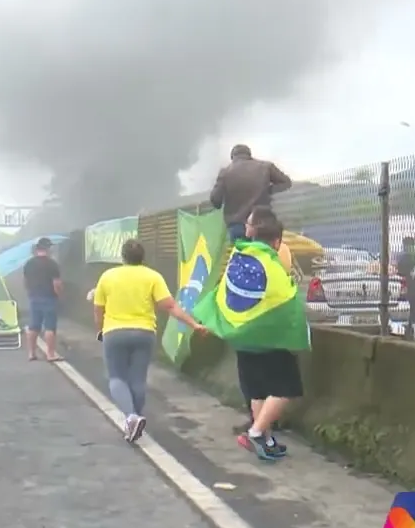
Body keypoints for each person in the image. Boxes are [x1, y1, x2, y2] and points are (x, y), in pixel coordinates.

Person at [93, 240, 207, 443]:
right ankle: (134, 423)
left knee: (117, 378)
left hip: (114, 332)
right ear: (142, 257)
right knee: (137, 380)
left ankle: (131, 417)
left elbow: (98, 309)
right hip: (144, 333)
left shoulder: (107, 276)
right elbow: (171, 306)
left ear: (122, 257)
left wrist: (100, 330)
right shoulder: (153, 276)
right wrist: (194, 325)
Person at [232, 212, 302, 460]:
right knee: (286, 387)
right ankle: (255, 433)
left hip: (243, 334)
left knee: (257, 391)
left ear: (253, 230)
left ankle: (267, 440)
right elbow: (285, 296)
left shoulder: (239, 255)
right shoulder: (272, 260)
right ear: (276, 240)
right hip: (269, 336)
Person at [209, 144, 293, 241]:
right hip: (262, 222)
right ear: (249, 155)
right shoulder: (266, 166)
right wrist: (268, 191)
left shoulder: (225, 172)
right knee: (263, 252)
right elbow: (286, 183)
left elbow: (215, 200)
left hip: (237, 224)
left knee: (244, 254)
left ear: (232, 157)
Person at [22, 237, 63, 362]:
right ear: (48, 248)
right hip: (49, 297)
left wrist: (30, 292)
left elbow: (25, 281)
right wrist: (59, 295)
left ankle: (31, 353)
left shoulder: (28, 264)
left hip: (34, 297)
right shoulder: (52, 264)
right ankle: (50, 354)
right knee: (50, 327)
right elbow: (56, 284)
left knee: (33, 327)